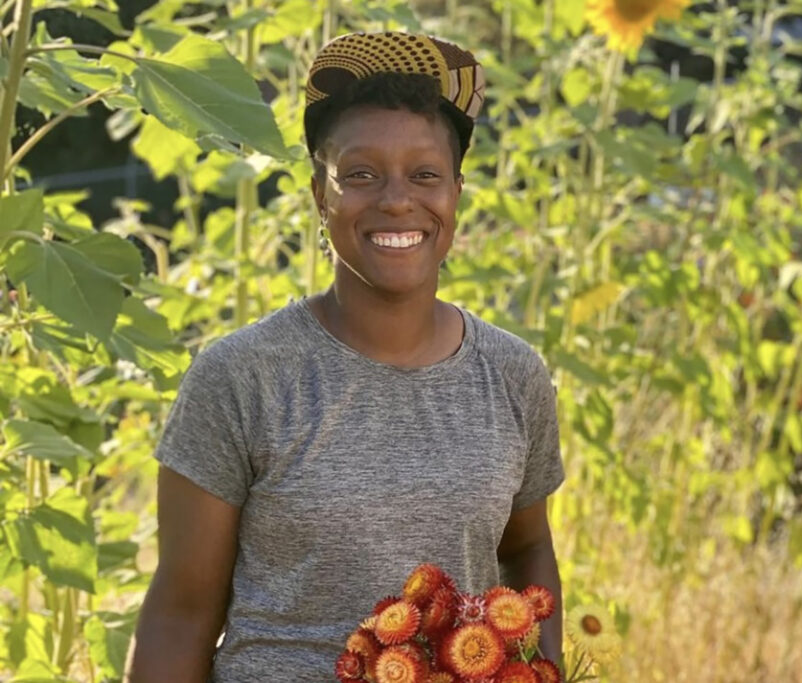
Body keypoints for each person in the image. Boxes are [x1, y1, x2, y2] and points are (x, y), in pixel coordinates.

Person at [126, 32, 565, 682]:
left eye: (425, 175)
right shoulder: (241, 378)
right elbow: (180, 615)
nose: (395, 199)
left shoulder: (513, 376)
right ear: (318, 194)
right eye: (360, 174)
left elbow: (527, 552)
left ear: (456, 196)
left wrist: (538, 667)